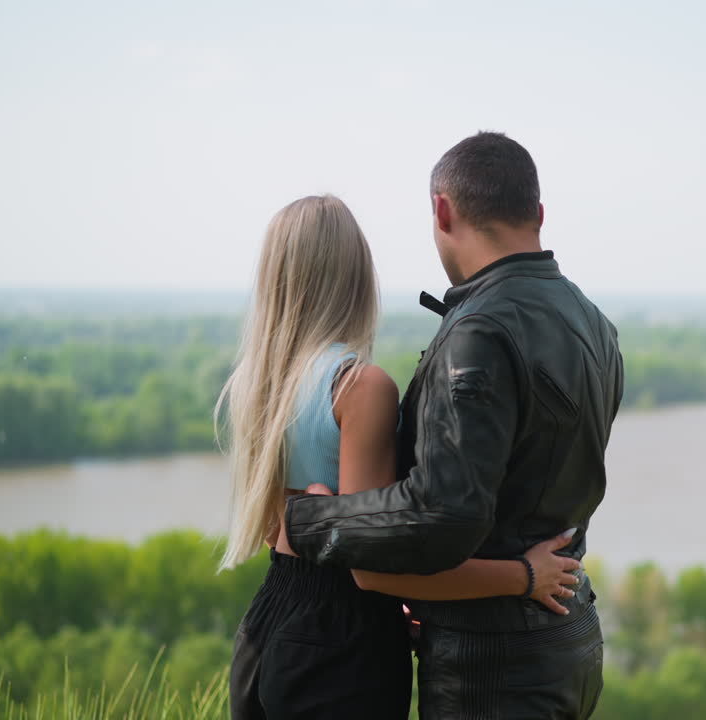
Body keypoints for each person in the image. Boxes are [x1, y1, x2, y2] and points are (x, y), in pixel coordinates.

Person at [283, 132, 624, 719]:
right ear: (537, 214)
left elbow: (444, 515)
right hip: (569, 638)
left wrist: (310, 519)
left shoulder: (480, 331)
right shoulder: (593, 322)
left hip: (494, 667)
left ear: (442, 210)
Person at [216, 194, 583, 719]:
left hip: (267, 621)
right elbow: (371, 571)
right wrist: (525, 576)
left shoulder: (257, 381)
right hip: (341, 641)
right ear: (358, 276)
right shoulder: (358, 387)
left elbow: (284, 529)